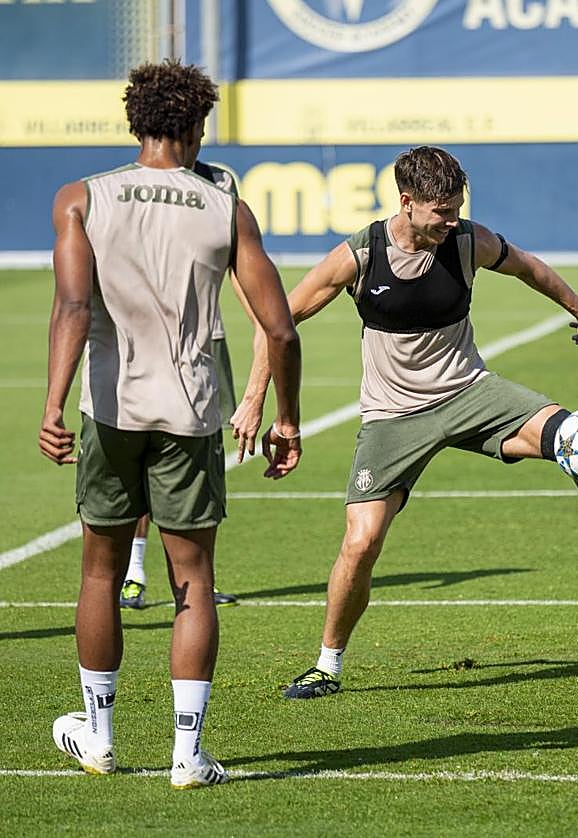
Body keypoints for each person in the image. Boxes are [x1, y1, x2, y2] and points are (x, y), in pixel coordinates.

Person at [229, 145, 578, 701]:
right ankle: (328, 663)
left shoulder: (469, 240)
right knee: (362, 541)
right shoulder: (360, 255)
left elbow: (531, 269)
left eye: (456, 208)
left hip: (473, 393)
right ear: (407, 202)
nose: (450, 221)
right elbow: (276, 321)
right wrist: (256, 400)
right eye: (440, 212)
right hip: (393, 417)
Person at [40, 60, 303, 789]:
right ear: (195, 128)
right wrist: (287, 420)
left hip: (108, 410)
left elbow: (71, 308)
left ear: (135, 124)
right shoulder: (225, 208)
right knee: (193, 581)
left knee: (99, 571)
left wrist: (53, 407)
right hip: (189, 413)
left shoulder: (81, 199)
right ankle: (188, 757)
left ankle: (99, 740)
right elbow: (280, 331)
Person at [120, 158, 245, 611]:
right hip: (149, 345)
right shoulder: (131, 186)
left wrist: (262, 329)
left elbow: (239, 265)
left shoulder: (220, 181)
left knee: (199, 468)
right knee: (143, 462)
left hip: (207, 344)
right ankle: (133, 573)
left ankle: (198, 579)